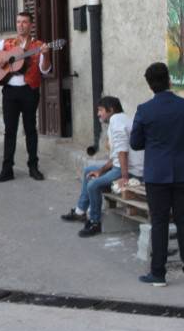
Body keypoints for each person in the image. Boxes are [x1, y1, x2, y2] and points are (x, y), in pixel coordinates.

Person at [131, 62, 184, 287]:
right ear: (169, 80)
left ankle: (158, 273)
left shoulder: (144, 110)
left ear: (149, 85)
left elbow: (135, 143)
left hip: (157, 173)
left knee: (159, 222)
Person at [0, 10, 52, 182]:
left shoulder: (38, 45)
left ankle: (33, 167)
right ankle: (7, 169)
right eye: (18, 22)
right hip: (10, 92)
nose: (21, 25)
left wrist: (46, 54)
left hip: (29, 90)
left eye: (24, 22)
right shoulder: (7, 43)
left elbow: (45, 70)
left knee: (30, 130)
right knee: (10, 130)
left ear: (31, 25)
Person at [61, 96, 144, 236]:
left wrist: (124, 178)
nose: (98, 114)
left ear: (110, 110)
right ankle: (80, 211)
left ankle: (95, 222)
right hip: (122, 166)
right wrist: (100, 171)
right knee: (90, 170)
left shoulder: (116, 122)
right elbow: (117, 155)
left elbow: (123, 152)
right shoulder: (122, 119)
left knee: (93, 185)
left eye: (100, 110)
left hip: (130, 171)